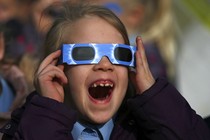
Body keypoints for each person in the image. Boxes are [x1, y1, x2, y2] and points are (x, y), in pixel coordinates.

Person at [1, 2, 210, 140]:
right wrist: (49, 110)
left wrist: (152, 94)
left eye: (119, 54)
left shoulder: (146, 128)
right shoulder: (25, 128)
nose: (104, 64)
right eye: (84, 53)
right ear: (55, 67)